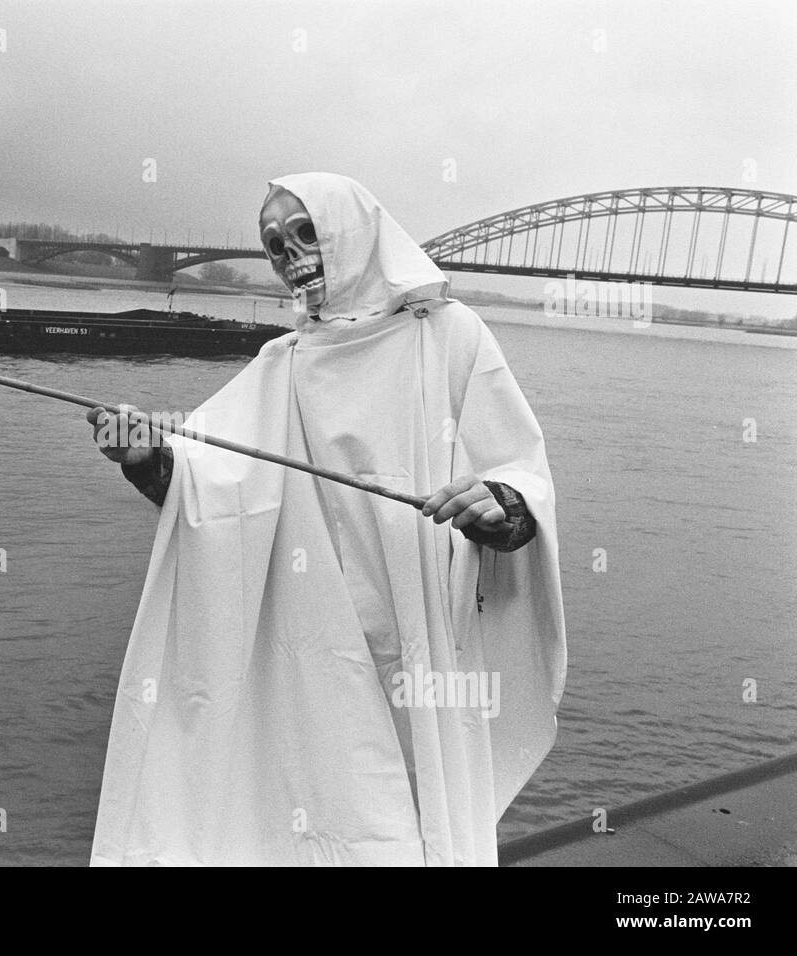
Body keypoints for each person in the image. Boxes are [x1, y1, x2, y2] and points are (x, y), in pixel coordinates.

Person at [86, 172, 566, 866]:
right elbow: (212, 479)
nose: (289, 255)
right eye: (275, 243)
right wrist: (149, 456)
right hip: (318, 640)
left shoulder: (450, 336)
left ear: (356, 231)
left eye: (306, 232)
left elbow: (520, 469)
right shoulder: (284, 363)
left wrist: (500, 506)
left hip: (423, 629)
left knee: (426, 803)